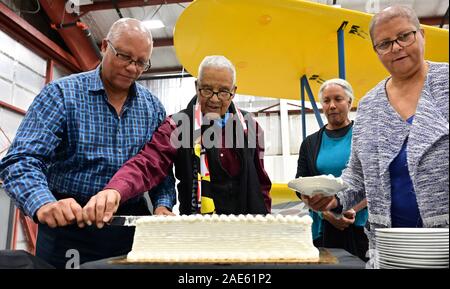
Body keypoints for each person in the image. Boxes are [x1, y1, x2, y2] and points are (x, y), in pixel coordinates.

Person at [0, 18, 176, 268]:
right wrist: (43, 202)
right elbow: (21, 160)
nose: (131, 68)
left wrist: (162, 205)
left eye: (140, 63)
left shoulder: (153, 108)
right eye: (124, 56)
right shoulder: (62, 94)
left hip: (129, 228)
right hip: (69, 227)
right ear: (105, 46)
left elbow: (160, 170)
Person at [306, 5, 449, 255]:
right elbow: (357, 176)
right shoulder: (370, 104)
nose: (396, 47)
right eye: (384, 43)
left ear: (422, 35)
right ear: (376, 51)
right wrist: (334, 198)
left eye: (404, 36)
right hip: (389, 249)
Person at [83, 55, 272, 220]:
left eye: (223, 92)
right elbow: (148, 162)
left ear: (234, 91)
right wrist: (116, 189)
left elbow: (262, 184)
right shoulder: (178, 125)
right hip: (196, 232)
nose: (214, 99)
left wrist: (266, 223)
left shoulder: (250, 127)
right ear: (196, 86)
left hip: (248, 228)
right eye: (207, 89)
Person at [296, 79, 369, 261]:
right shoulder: (310, 143)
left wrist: (351, 208)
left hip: (360, 225)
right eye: (327, 101)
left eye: (338, 99)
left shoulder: (364, 137)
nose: (332, 105)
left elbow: (376, 181)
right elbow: (300, 185)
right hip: (323, 226)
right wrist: (326, 212)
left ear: (350, 102)